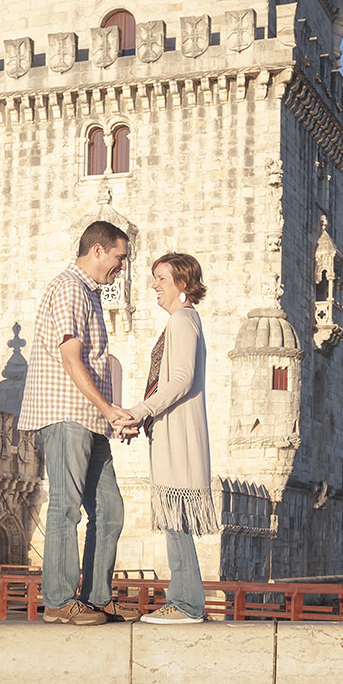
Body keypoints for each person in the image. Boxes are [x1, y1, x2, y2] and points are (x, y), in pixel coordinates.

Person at [17, 221, 139, 625]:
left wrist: (110, 413)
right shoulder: (70, 286)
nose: (122, 267)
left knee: (110, 510)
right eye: (120, 258)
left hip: (91, 419)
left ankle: (96, 598)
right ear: (99, 250)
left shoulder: (88, 293)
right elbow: (71, 357)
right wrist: (109, 409)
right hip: (67, 413)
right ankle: (58, 599)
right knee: (66, 507)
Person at [120, 252, 216, 625]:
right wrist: (140, 418)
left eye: (160, 277)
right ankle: (185, 600)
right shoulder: (184, 320)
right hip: (172, 430)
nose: (154, 285)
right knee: (175, 520)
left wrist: (139, 411)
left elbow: (179, 380)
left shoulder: (182, 320)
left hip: (179, 433)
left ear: (182, 282)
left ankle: (187, 603)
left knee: (176, 519)